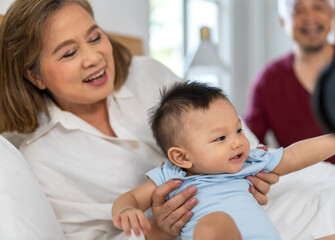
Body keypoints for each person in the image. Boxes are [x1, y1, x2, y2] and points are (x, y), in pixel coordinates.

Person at [0, 0, 277, 239]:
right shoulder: (41, 159)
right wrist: (159, 230)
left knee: (319, 191)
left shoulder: (148, 73)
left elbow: (239, 139)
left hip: (251, 212)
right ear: (34, 76)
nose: (94, 57)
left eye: (95, 37)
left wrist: (255, 174)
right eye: (69, 53)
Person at [112, 81, 335, 240]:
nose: (237, 142)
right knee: (214, 225)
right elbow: (131, 198)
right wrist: (125, 210)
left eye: (238, 130)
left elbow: (294, 155)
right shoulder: (172, 176)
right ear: (181, 156)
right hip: (219, 232)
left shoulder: (250, 162)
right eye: (220, 137)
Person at [243, 0, 335, 172]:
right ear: (283, 21)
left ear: (331, 14)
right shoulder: (267, 82)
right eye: (298, 10)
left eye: (318, 8)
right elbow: (249, 145)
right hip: (305, 185)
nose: (310, 18)